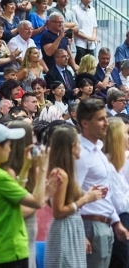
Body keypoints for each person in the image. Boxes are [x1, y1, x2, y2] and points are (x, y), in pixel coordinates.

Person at [0, 122, 49, 268]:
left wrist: (26, 167)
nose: (10, 149)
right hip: (12, 253)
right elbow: (37, 202)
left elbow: (13, 197)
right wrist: (43, 169)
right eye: (8, 144)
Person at [76, 99, 129, 268]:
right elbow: (70, 195)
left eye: (106, 118)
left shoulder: (98, 150)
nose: (106, 123)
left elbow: (106, 194)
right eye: (100, 119)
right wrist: (79, 233)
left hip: (107, 223)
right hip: (89, 225)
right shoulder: (79, 153)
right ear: (85, 123)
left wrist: (116, 222)